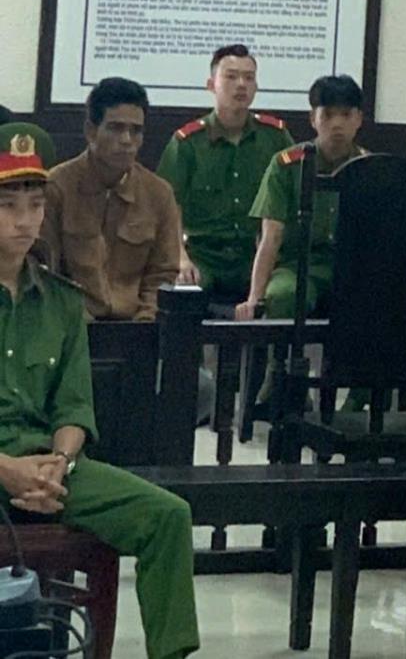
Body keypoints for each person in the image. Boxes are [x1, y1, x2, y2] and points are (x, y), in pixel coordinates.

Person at [0, 122, 199, 658]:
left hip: (48, 468)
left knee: (167, 516)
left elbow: (73, 405)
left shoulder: (63, 302)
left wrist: (59, 464)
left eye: (35, 205)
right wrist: (7, 468)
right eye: (8, 206)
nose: (24, 220)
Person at [157, 44, 293, 298]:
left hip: (258, 255)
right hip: (203, 256)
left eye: (249, 78)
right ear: (211, 85)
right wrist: (180, 258)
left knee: (281, 294)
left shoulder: (275, 137)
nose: (241, 85)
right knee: (183, 293)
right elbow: (168, 204)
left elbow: (294, 197)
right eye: (231, 76)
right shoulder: (188, 142)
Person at [42, 78, 181, 321]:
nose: (127, 140)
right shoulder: (57, 186)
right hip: (71, 324)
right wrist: (73, 322)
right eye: (115, 128)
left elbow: (163, 275)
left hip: (136, 326)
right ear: (91, 131)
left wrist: (145, 323)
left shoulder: (159, 194)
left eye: (136, 131)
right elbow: (45, 272)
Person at [236, 74, 367, 322]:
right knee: (282, 296)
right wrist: (255, 298)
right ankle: (279, 351)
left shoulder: (370, 168)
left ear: (359, 119)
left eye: (346, 115)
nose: (337, 124)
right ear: (313, 118)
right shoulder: (285, 165)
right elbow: (271, 236)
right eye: (328, 115)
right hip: (296, 267)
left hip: (352, 268)